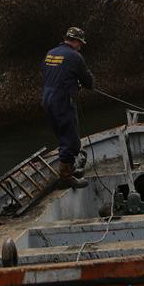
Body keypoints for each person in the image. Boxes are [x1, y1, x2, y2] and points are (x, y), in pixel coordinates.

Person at [41, 26, 94, 183]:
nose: (80, 46)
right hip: (62, 101)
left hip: (47, 99)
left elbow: (46, 72)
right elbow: (88, 80)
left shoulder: (50, 53)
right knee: (71, 141)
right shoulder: (75, 57)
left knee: (62, 135)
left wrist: (68, 81)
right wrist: (82, 84)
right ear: (76, 41)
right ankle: (66, 178)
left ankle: (69, 169)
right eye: (81, 43)